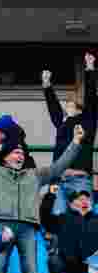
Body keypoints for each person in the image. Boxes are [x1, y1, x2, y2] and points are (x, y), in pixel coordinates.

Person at [0, 103, 83, 273]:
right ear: (5, 156)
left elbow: (60, 166)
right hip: (1, 224)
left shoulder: (35, 174)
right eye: (16, 152)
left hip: (28, 227)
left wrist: (76, 143)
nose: (20, 155)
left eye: (22, 153)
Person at [42, 54, 97, 215]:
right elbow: (53, 107)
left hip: (80, 179)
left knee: (84, 216)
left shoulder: (88, 122)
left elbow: (91, 99)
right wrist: (46, 85)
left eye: (70, 105)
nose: (67, 108)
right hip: (60, 180)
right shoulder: (62, 123)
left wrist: (89, 69)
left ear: (79, 109)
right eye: (66, 106)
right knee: (58, 216)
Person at [42, 188, 98, 273]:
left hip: (91, 264)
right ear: (72, 204)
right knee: (54, 261)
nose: (85, 201)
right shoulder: (63, 219)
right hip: (67, 263)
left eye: (87, 199)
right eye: (81, 199)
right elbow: (45, 218)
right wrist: (51, 195)